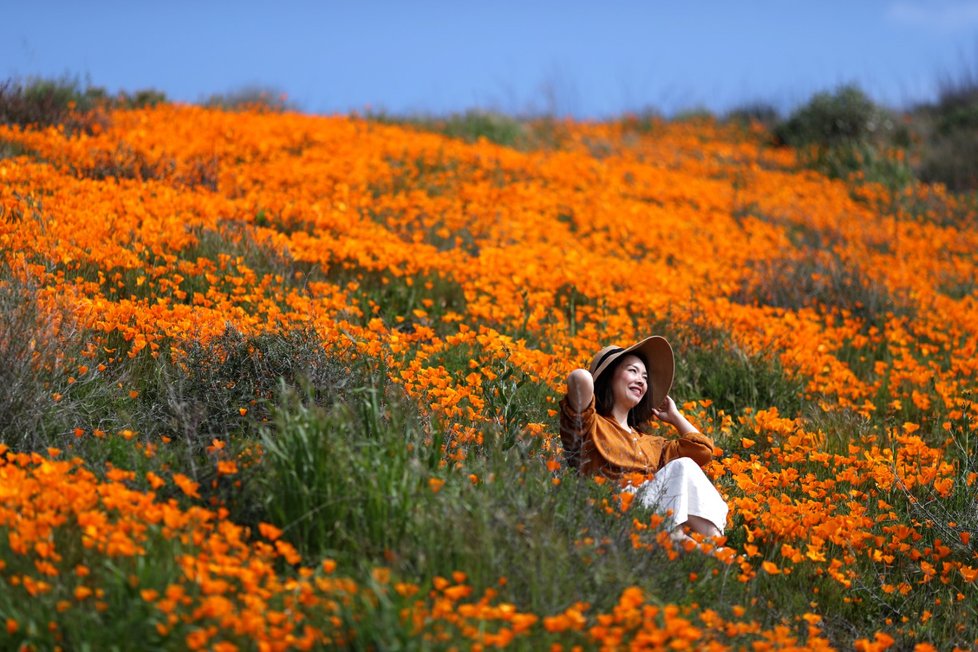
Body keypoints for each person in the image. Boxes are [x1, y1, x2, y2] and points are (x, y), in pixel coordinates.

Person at [559, 335, 728, 547]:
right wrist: (596, 374)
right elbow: (579, 378)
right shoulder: (589, 425)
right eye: (632, 371)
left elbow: (702, 450)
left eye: (645, 377)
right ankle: (683, 542)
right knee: (681, 468)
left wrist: (675, 417)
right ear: (610, 377)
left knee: (686, 466)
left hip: (651, 515)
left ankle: (714, 544)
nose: (641, 380)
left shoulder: (651, 443)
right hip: (611, 513)